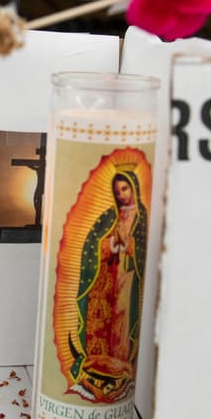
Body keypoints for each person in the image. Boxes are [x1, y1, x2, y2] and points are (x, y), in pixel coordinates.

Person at [68, 170, 147, 403]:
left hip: (126, 275)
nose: (121, 195)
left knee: (121, 321)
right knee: (99, 318)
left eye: (125, 189)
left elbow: (142, 248)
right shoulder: (108, 215)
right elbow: (92, 243)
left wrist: (130, 245)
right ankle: (95, 361)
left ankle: (119, 365)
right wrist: (111, 243)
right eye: (117, 191)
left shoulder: (141, 218)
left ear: (133, 188)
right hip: (104, 276)